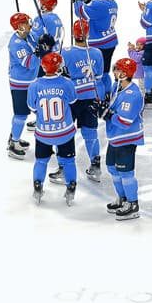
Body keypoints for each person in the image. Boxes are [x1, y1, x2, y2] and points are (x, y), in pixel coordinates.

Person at [49, 20, 104, 185]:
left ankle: (63, 168)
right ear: (87, 34)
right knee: (90, 133)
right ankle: (95, 165)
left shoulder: (65, 52)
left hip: (70, 99)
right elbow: (99, 77)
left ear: (74, 34)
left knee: (64, 134)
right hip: (90, 98)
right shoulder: (96, 53)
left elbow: (57, 73)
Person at [27, 53, 78, 205]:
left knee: (41, 161)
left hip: (44, 132)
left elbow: (32, 107)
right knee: (69, 161)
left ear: (43, 66)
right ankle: (71, 187)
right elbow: (72, 101)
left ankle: (37, 186)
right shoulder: (67, 83)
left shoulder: (34, 85)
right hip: (65, 132)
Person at [98, 57, 145, 220]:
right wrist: (102, 107)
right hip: (114, 137)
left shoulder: (133, 94)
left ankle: (133, 204)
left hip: (127, 138)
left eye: (117, 70)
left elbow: (125, 122)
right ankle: (122, 198)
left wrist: (107, 115)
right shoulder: (115, 86)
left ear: (125, 74)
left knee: (126, 172)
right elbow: (110, 107)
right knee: (112, 168)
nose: (114, 72)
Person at [73, 0, 119, 99]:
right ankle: (108, 94)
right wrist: (89, 0)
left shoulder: (99, 5)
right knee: (105, 72)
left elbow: (80, 12)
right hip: (111, 41)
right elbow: (98, 13)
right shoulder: (113, 3)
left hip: (99, 44)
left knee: (97, 74)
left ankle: (100, 99)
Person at [7, 13, 39, 159]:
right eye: (26, 23)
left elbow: (37, 42)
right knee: (20, 114)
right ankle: (13, 144)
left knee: (27, 112)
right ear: (19, 27)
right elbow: (30, 64)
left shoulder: (28, 36)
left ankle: (15, 137)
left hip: (29, 82)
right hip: (20, 84)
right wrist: (40, 52)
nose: (29, 24)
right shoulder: (16, 44)